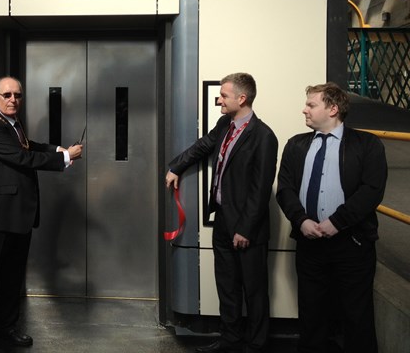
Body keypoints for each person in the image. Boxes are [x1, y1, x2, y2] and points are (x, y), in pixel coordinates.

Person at [0, 76, 83, 353]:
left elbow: (28, 146)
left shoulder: (12, 125)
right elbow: (22, 158)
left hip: (16, 215)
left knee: (11, 278)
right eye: (8, 95)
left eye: (18, 95)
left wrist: (56, 149)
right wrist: (64, 158)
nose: (13, 99)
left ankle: (5, 329)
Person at [166, 73, 278, 353]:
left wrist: (245, 229)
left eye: (224, 95)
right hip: (223, 221)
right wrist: (176, 166)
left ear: (242, 98)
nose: (218, 99)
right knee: (227, 286)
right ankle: (230, 339)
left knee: (254, 290)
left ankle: (256, 344)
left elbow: (260, 188)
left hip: (247, 227)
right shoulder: (224, 125)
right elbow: (203, 146)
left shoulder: (263, 136)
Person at [276, 82, 387, 353]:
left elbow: (372, 190)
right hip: (309, 245)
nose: (304, 110)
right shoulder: (296, 145)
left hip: (353, 244)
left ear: (333, 109)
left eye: (311, 105)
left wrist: (337, 222)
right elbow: (285, 188)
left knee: (356, 316)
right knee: (312, 317)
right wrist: (301, 220)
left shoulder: (367, 144)